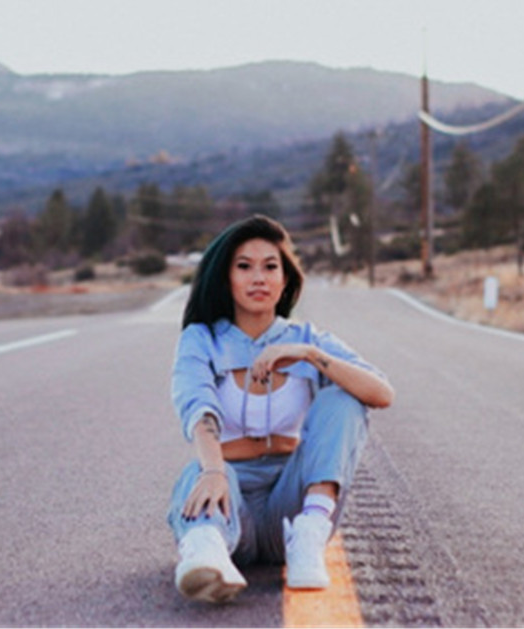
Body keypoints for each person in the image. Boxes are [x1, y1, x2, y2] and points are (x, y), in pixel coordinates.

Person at [167, 215, 394, 603]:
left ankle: (309, 536)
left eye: (270, 267)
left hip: (290, 507)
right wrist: (214, 470)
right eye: (244, 266)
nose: (259, 278)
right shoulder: (201, 339)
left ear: (285, 279)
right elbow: (197, 407)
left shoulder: (306, 339)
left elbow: (381, 392)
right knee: (197, 474)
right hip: (230, 497)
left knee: (344, 396)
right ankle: (206, 552)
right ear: (226, 278)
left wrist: (310, 355)